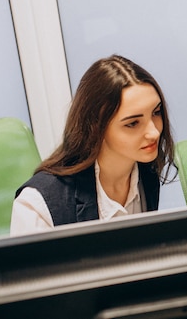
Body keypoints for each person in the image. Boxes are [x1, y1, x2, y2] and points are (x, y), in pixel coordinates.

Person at [10, 54, 176, 235]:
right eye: (132, 123)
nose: (153, 132)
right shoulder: (37, 204)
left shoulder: (146, 173)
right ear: (96, 127)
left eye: (156, 112)